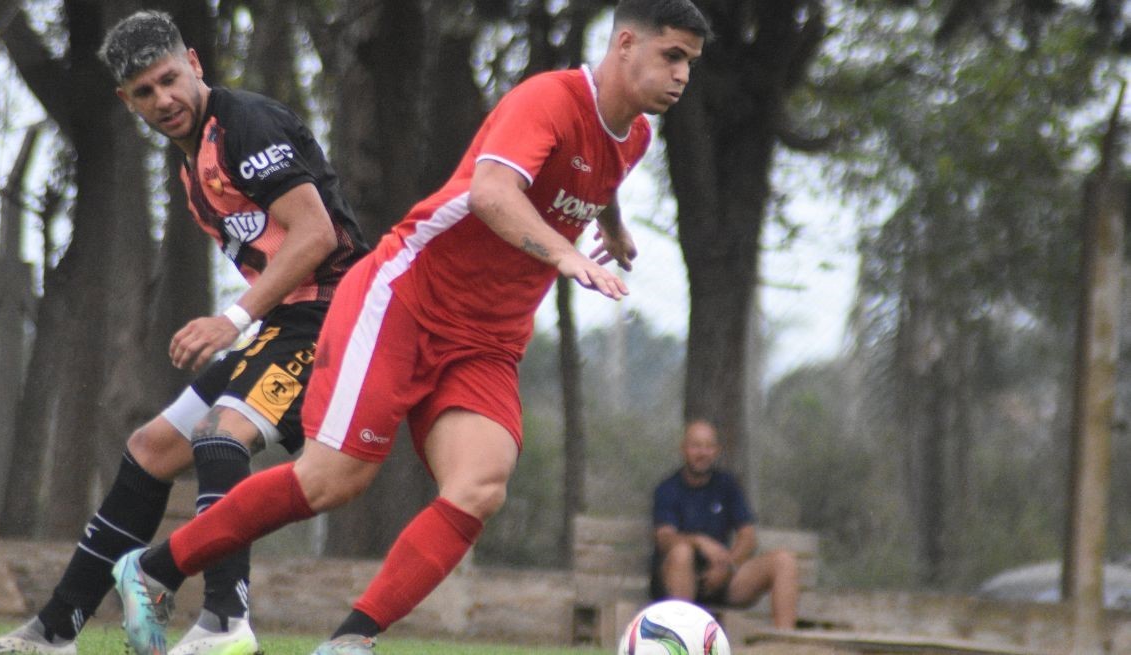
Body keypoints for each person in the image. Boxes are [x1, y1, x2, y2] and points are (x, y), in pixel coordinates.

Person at [109, 2, 711, 654]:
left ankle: (351, 639)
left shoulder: (636, 135)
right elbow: (491, 192)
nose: (682, 74)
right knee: (331, 480)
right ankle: (153, 568)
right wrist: (563, 253)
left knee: (480, 485)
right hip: (406, 298)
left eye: (690, 63)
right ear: (626, 43)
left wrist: (611, 226)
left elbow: (604, 168)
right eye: (672, 56)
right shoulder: (548, 98)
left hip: (487, 339)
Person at [0, 10, 368, 655]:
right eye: (144, 92)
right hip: (287, 320)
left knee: (220, 436)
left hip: (332, 309)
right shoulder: (191, 160)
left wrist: (232, 318)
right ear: (127, 101)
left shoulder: (245, 124)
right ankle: (52, 634)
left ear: (195, 64)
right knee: (151, 448)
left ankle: (227, 623)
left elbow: (316, 235)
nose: (163, 99)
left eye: (170, 79)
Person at [650, 419, 800, 630]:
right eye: (696, 446)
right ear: (683, 449)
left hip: (720, 579)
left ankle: (785, 647)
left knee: (784, 560)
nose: (702, 453)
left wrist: (728, 565)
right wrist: (699, 542)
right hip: (676, 582)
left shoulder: (727, 486)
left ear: (717, 451)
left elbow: (748, 535)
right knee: (681, 552)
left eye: (708, 446)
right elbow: (664, 538)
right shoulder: (667, 489)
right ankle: (684, 642)